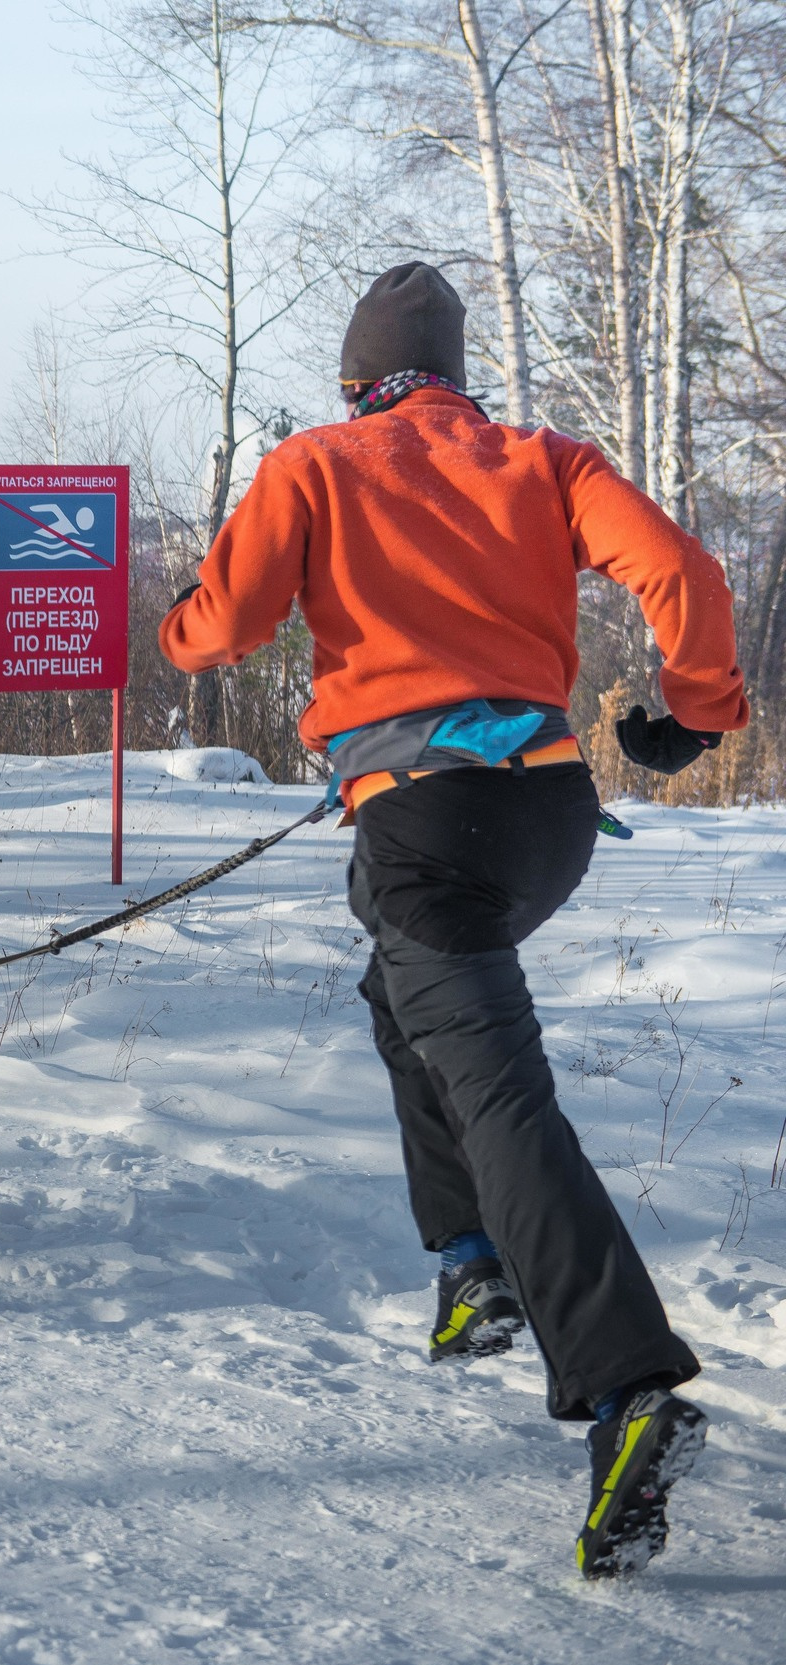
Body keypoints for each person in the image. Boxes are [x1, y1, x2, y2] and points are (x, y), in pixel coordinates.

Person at [160, 261, 748, 1580]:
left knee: (499, 1092)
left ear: (359, 381)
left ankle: (625, 1386)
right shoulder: (542, 459)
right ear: (459, 377)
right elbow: (684, 572)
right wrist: (691, 709)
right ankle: (473, 1257)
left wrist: (184, 624)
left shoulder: (318, 464)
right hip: (549, 821)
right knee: (404, 996)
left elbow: (223, 628)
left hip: (427, 827)